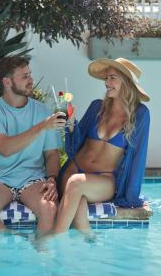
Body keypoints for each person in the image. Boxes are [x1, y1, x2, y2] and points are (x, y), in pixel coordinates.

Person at [54, 57, 150, 234]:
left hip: (104, 179)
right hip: (74, 169)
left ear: (126, 82)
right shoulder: (96, 107)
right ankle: (88, 242)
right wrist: (72, 122)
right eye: (106, 78)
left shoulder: (140, 114)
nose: (106, 83)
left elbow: (138, 157)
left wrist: (131, 197)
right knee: (78, 200)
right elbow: (75, 144)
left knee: (75, 185)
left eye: (112, 78)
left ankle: (54, 239)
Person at [0, 56, 66, 237]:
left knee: (48, 208)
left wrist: (52, 179)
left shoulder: (42, 111)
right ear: (7, 82)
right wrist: (42, 127)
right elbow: (5, 148)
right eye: (24, 76)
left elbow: (51, 154)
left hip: (32, 178)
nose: (31, 80)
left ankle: (40, 256)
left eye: (30, 74)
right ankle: (11, 246)